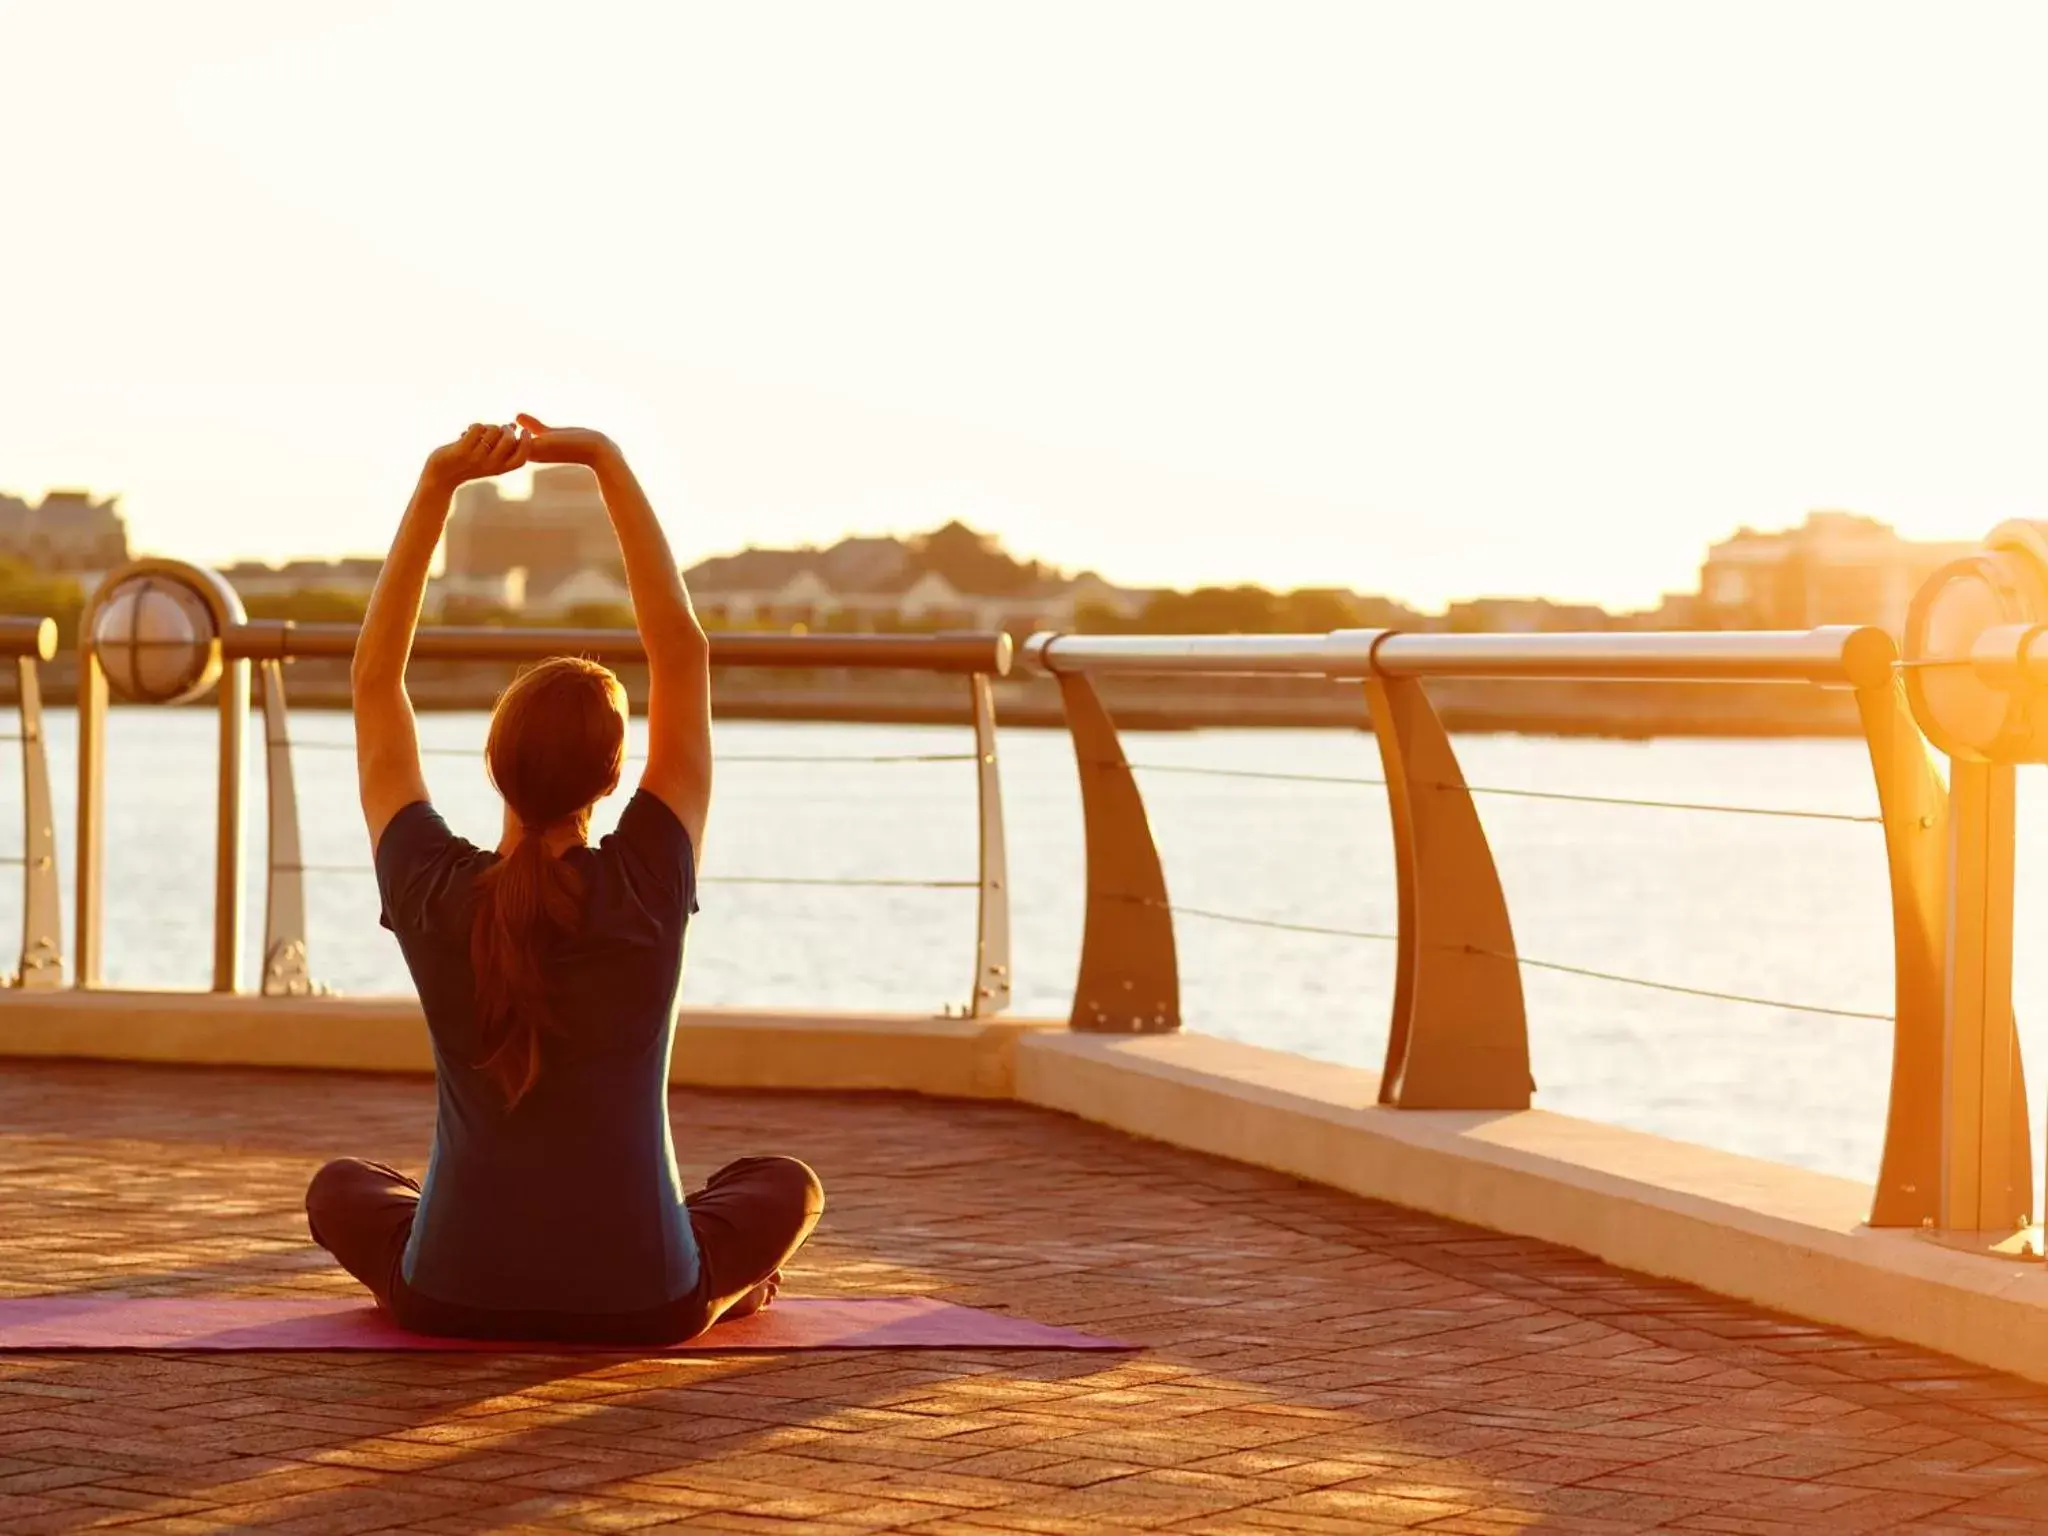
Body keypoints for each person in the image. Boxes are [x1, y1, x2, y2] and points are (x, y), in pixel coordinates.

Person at [304, 418, 822, 1344]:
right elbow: (682, 651)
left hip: (450, 1294)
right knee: (785, 1186)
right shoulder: (648, 879)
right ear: (616, 773)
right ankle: (727, 1288)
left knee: (342, 1189)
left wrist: (435, 485)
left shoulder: (430, 885)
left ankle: (470, 1234)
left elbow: (375, 681)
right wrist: (605, 462)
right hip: (643, 1304)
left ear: (493, 765)